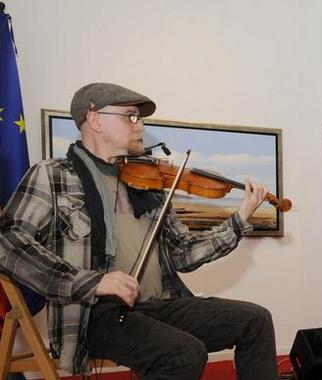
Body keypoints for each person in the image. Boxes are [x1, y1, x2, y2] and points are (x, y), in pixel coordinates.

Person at [0, 82, 278, 379]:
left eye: (140, 118)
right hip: (96, 314)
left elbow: (183, 254)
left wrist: (240, 218)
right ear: (95, 120)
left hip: (161, 305)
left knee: (255, 320)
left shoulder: (146, 183)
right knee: (184, 353)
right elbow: (8, 241)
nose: (140, 126)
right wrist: (92, 282)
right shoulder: (53, 175)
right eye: (130, 116)